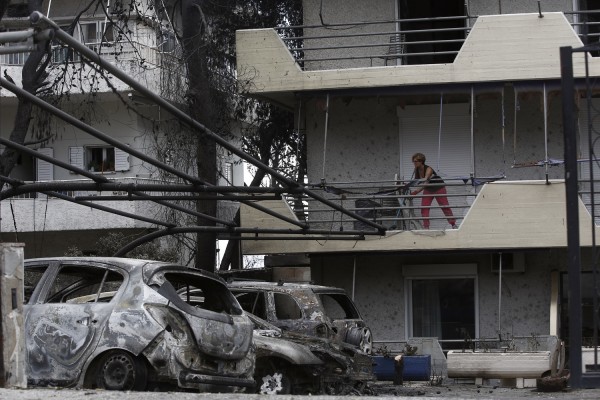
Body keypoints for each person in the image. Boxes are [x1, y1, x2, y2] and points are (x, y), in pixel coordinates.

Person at [410, 152, 456, 229]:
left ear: (421, 161)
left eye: (416, 161)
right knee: (424, 207)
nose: (414, 163)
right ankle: (426, 227)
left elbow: (425, 181)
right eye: (413, 161)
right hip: (428, 189)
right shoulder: (416, 170)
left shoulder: (428, 169)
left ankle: (453, 224)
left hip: (438, 187)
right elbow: (417, 181)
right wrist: (408, 185)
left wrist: (416, 192)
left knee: (444, 206)